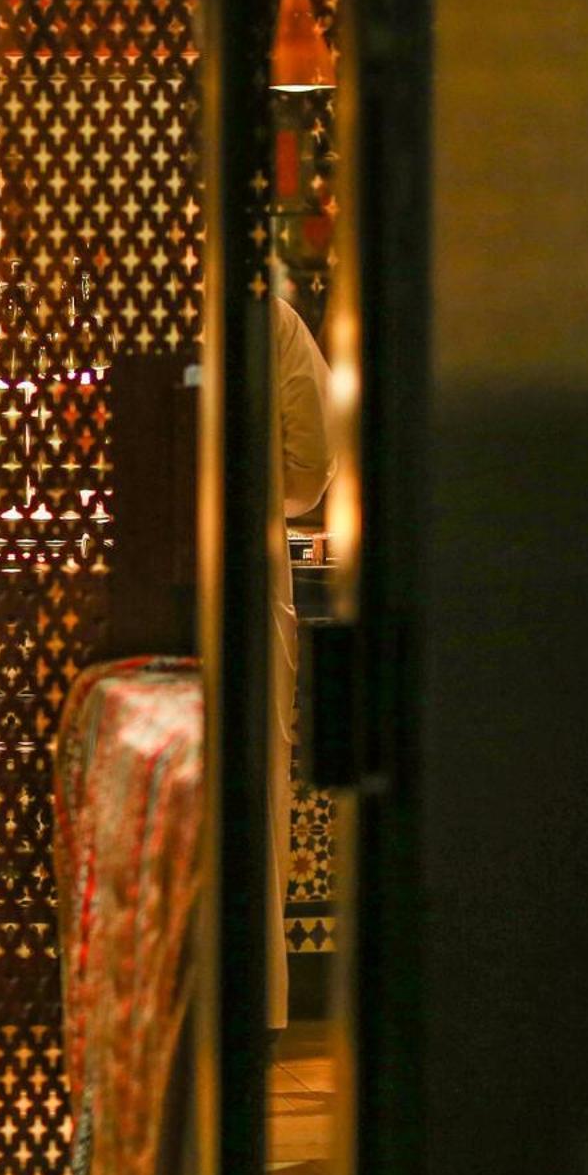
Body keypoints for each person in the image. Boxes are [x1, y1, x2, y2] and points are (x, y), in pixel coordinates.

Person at [268, 293, 337, 1031]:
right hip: (248, 580)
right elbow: (312, 461)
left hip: (125, 579)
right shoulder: (270, 318)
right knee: (252, 786)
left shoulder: (123, 315)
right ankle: (254, 1007)